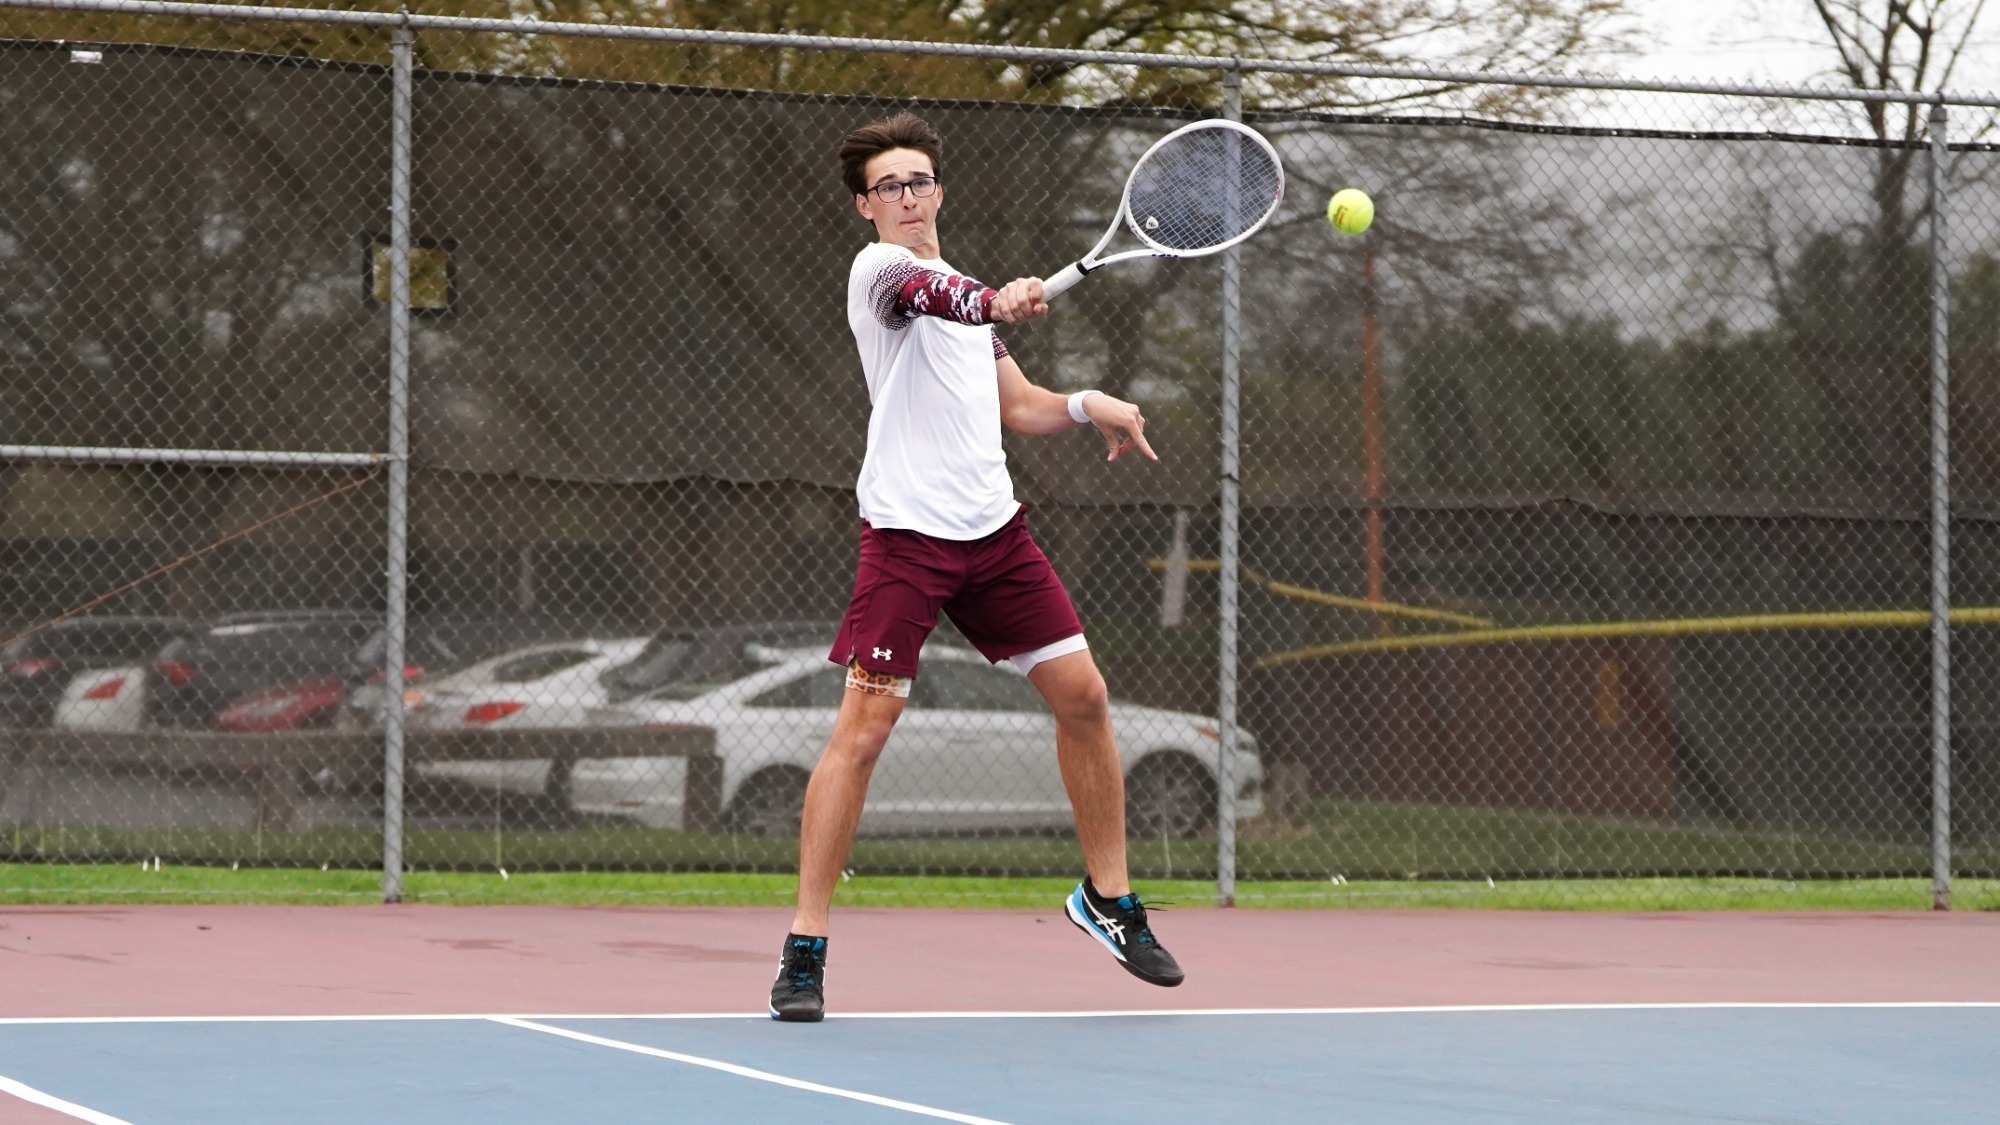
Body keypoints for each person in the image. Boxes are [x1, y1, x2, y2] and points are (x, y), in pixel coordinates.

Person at [769, 112, 1183, 1023]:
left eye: (920, 181)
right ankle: (805, 947)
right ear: (863, 206)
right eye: (890, 186)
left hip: (994, 537)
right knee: (864, 733)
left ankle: (1108, 901)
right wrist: (995, 299)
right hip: (907, 540)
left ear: (940, 191)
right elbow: (945, 299)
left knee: (1086, 698)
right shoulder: (882, 273)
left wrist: (1085, 401)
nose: (909, 196)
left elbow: (1019, 405)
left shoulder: (960, 290)